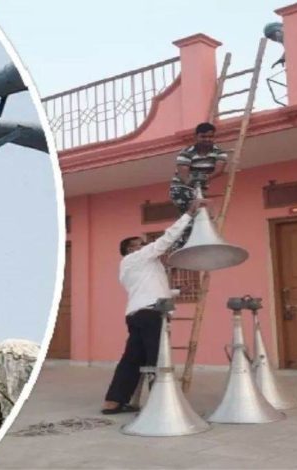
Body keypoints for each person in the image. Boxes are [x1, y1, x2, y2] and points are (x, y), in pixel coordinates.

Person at [101, 201, 199, 414]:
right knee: (158, 357)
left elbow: (151, 289)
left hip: (139, 313)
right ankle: (161, 403)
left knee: (132, 358)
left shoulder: (134, 267)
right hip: (152, 314)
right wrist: (189, 215)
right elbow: (165, 241)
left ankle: (114, 401)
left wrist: (177, 292)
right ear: (131, 249)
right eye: (141, 243)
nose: (145, 245)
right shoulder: (137, 258)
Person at [169, 122, 227, 249]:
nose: (207, 139)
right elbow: (184, 176)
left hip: (198, 190)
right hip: (181, 189)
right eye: (203, 136)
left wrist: (203, 180)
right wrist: (196, 183)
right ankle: (180, 246)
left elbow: (219, 171)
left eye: (210, 137)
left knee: (195, 217)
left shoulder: (220, 153)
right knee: (191, 216)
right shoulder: (186, 153)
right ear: (196, 136)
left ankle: (186, 244)